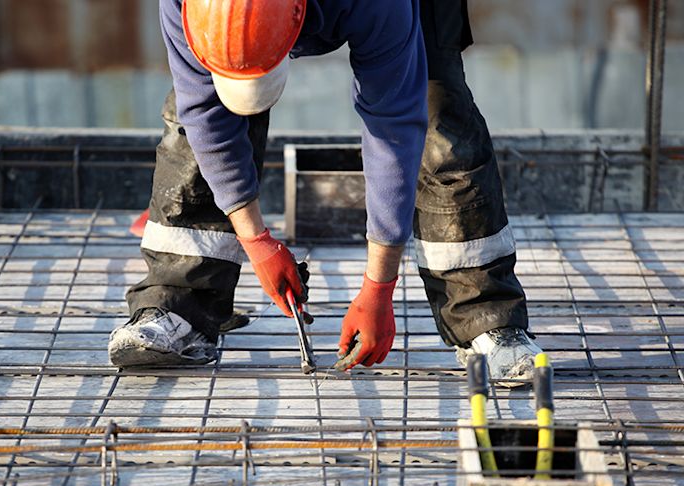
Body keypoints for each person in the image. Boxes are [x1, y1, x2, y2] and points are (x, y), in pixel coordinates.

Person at [108, 0, 542, 383]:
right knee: (194, 121)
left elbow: (393, 126)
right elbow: (205, 113)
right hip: (233, 20)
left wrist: (378, 287)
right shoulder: (185, 5)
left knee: (436, 111)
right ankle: (177, 304)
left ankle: (485, 315)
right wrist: (256, 241)